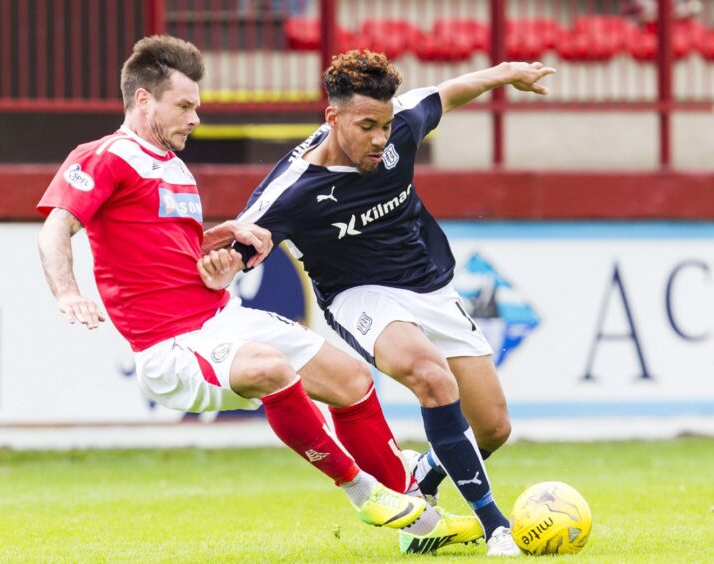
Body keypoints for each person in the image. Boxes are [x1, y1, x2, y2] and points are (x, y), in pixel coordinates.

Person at [36, 35, 482, 548]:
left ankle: (418, 522)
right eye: (183, 106)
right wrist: (67, 293)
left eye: (196, 106)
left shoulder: (172, 166)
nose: (195, 118)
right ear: (143, 100)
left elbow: (166, 253)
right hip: (170, 346)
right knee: (269, 368)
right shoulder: (106, 156)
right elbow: (56, 227)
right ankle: (364, 493)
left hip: (222, 316)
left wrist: (225, 235)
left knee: (353, 379)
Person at [234, 50, 556, 556]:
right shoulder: (293, 189)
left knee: (493, 428)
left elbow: (448, 93)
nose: (380, 139)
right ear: (333, 117)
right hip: (358, 295)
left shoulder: (401, 124)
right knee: (428, 373)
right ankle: (494, 526)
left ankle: (421, 476)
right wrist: (222, 264)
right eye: (367, 126)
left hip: (427, 285)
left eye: (384, 126)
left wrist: (507, 75)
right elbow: (240, 240)